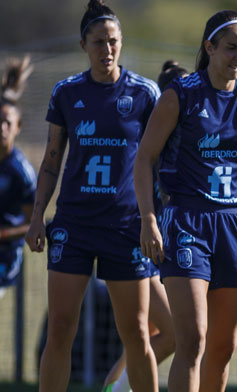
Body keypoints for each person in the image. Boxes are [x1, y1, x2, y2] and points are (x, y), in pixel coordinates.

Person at [133, 10, 237, 392]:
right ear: (210, 48)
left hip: (234, 225)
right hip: (187, 222)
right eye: (232, 47)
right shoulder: (179, 96)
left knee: (222, 348)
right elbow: (144, 158)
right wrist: (149, 220)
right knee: (193, 340)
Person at [24, 1, 161, 391]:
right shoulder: (67, 93)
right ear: (83, 44)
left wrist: (153, 219)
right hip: (75, 225)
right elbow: (51, 162)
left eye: (113, 41)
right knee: (60, 328)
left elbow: (156, 161)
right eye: (99, 42)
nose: (107, 50)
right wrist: (38, 216)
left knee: (136, 331)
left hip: (125, 227)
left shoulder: (144, 93)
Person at [102, 59, 188, 392]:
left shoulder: (185, 142)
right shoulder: (149, 144)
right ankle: (114, 389)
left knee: (157, 335)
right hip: (136, 243)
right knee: (162, 333)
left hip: (166, 249)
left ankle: (113, 388)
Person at [0, 55, 35, 300]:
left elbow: (31, 224)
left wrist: (3, 234)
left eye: (7, 122)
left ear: (17, 126)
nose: (1, 127)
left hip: (4, 258)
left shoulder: (21, 172)